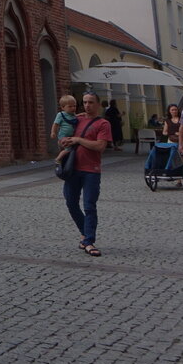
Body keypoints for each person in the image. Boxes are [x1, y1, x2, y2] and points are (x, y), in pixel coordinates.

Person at [59, 91, 111, 257]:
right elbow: (63, 133)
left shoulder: (103, 124)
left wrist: (78, 140)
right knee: (71, 203)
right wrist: (64, 141)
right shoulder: (77, 119)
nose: (87, 105)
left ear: (97, 104)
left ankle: (89, 241)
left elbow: (100, 146)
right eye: (85, 102)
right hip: (72, 169)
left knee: (89, 206)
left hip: (91, 171)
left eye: (91, 102)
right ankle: (84, 232)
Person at [50, 95, 80, 170]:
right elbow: (55, 124)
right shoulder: (60, 115)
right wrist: (53, 132)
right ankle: (58, 159)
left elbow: (77, 117)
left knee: (71, 149)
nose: (73, 108)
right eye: (70, 106)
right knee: (68, 149)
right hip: (63, 136)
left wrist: (81, 114)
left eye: (74, 106)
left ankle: (66, 160)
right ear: (63, 107)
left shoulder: (73, 115)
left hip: (71, 136)